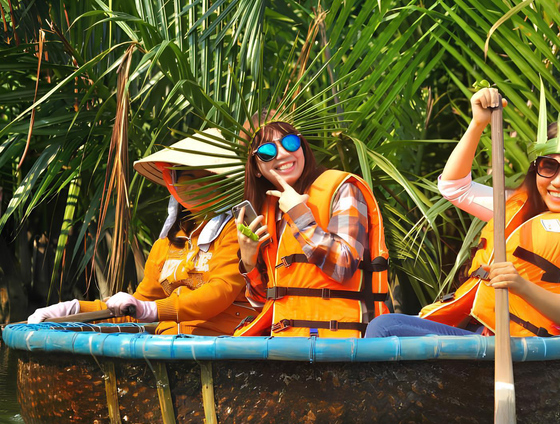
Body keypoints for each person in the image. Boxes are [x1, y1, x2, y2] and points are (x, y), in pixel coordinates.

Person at [366, 85, 560, 338]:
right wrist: (478, 123)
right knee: (384, 325)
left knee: (386, 328)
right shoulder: (515, 209)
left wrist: (521, 285)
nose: (559, 181)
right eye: (549, 167)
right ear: (536, 169)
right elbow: (453, 187)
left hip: (520, 341)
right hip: (475, 329)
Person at [27, 130, 252, 336]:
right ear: (173, 183)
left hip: (224, 343)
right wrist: (70, 310)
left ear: (225, 183)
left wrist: (149, 309)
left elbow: (220, 292)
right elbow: (136, 307)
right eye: (186, 177)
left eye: (205, 177)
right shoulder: (165, 245)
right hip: (168, 346)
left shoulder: (235, 231)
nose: (195, 185)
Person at [232, 115, 389, 338]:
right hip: (286, 349)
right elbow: (264, 304)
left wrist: (300, 217)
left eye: (290, 143)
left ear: (302, 146)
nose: (284, 153)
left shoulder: (341, 189)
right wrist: (248, 262)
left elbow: (343, 267)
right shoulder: (266, 212)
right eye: (268, 151)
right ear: (256, 168)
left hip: (343, 347)